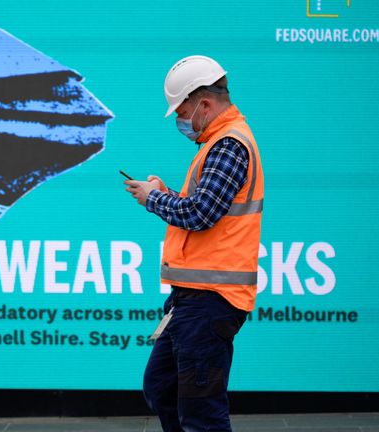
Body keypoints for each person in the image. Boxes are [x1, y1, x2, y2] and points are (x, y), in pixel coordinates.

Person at [125, 55, 264, 431]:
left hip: (210, 300)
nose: (181, 121)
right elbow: (202, 209)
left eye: (182, 110)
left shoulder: (229, 145)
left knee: (202, 414)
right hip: (193, 298)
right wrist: (166, 193)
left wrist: (152, 199)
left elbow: (200, 214)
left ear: (203, 104)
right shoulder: (218, 144)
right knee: (162, 387)